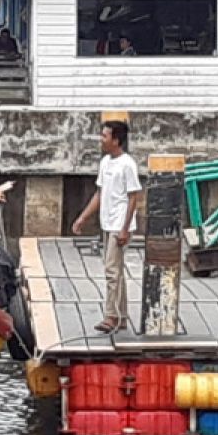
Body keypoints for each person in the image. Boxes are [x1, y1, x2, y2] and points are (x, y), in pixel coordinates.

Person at [70, 120, 142, 334]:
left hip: (120, 223)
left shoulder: (127, 164)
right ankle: (121, 316)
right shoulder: (105, 163)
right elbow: (99, 193)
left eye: (105, 136)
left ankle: (111, 315)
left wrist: (125, 228)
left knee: (111, 270)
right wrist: (82, 217)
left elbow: (133, 197)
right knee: (116, 270)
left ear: (116, 140)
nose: (101, 140)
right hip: (107, 220)